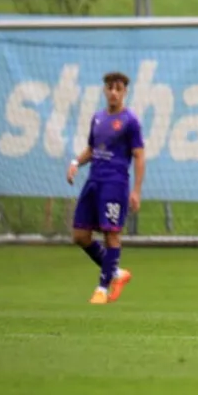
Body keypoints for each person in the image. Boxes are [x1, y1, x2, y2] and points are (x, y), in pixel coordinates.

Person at [66, 72, 144, 304]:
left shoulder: (130, 121)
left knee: (112, 234)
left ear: (125, 92)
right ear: (104, 90)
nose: (113, 92)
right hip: (94, 181)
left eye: (118, 88)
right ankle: (117, 273)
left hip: (115, 183)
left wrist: (136, 190)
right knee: (80, 235)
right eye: (110, 88)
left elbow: (139, 156)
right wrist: (75, 163)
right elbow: (92, 149)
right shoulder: (98, 118)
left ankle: (102, 288)